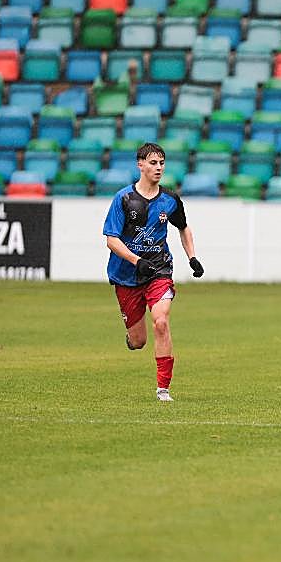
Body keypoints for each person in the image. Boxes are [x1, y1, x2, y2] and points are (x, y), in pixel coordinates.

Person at [102, 142, 204, 402]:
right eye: (153, 163)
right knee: (138, 341)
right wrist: (136, 261)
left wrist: (192, 257)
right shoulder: (123, 198)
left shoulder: (170, 199)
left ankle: (163, 389)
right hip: (126, 274)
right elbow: (111, 240)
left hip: (159, 269)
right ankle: (132, 337)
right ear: (140, 165)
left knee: (161, 321)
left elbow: (184, 227)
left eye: (161, 163)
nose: (158, 168)